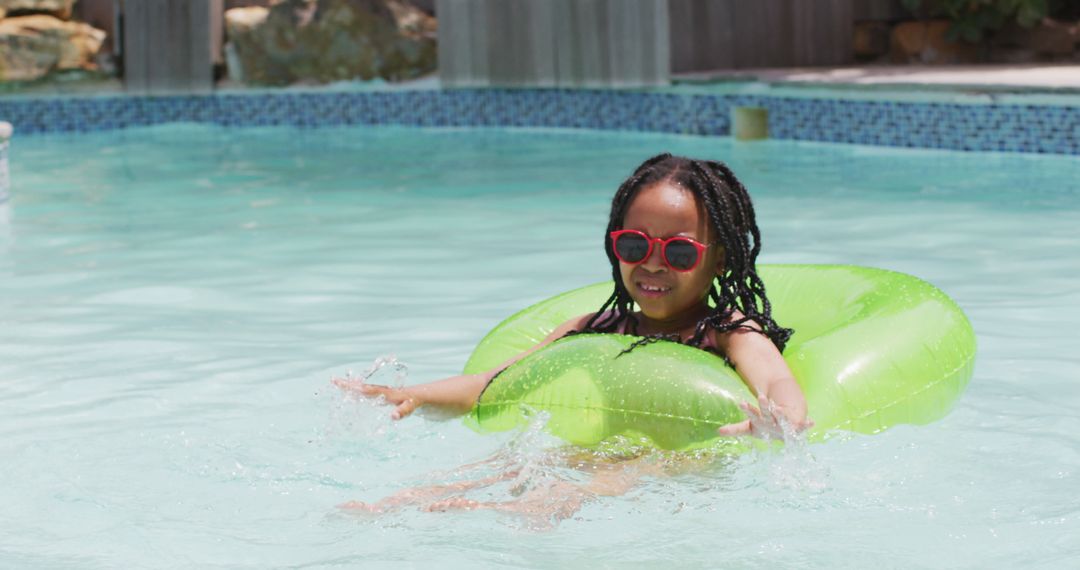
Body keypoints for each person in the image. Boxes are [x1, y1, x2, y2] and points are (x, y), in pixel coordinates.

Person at [335, 153, 811, 520]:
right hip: (596, 449)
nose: (651, 264)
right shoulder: (595, 329)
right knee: (516, 463)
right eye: (634, 245)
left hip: (687, 464)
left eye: (679, 252)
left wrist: (777, 420)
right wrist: (411, 395)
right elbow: (493, 384)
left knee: (634, 465)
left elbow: (776, 383)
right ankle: (402, 504)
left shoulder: (726, 333)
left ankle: (530, 513)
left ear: (720, 259)